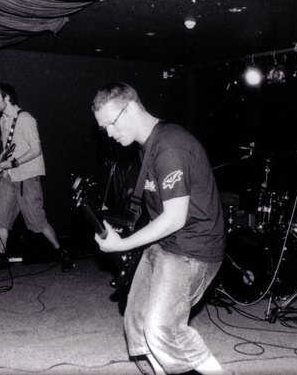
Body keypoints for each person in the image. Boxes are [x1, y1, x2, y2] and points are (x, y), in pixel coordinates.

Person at [91, 83, 227, 375]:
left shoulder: (170, 146)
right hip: (166, 244)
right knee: (136, 323)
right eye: (104, 129)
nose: (109, 134)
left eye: (111, 124)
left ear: (130, 108)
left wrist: (121, 245)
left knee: (162, 329)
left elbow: (175, 218)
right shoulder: (150, 145)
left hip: (192, 249)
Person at [0, 83, 73, 271]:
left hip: (27, 176)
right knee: (0, 216)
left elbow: (36, 149)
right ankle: (1, 257)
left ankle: (61, 252)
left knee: (36, 221)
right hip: (9, 176)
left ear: (7, 98)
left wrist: (13, 163)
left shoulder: (25, 119)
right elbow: (8, 150)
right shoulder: (3, 121)